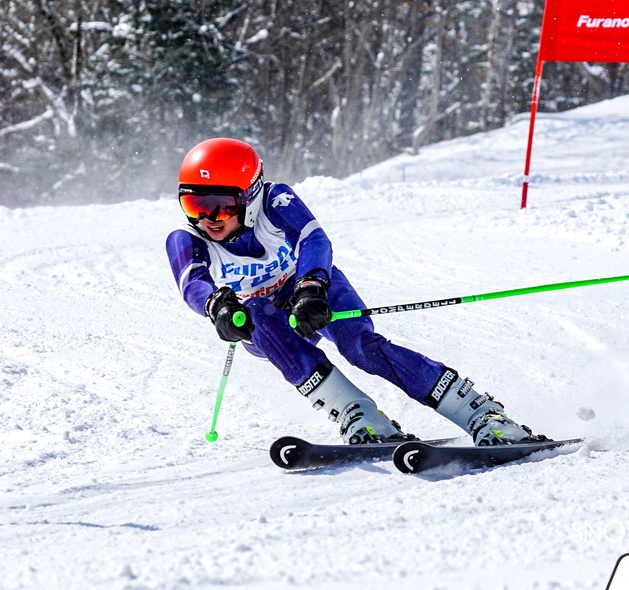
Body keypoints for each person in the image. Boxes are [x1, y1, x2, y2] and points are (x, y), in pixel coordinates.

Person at [165, 137, 548, 446]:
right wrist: (216, 305)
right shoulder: (185, 237)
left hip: (312, 291)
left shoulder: (276, 202)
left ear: (249, 196)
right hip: (268, 319)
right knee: (260, 315)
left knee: (361, 348)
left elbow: (315, 241)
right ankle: (360, 416)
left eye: (218, 206)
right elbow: (192, 284)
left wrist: (311, 285)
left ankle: (482, 414)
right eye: (193, 204)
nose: (206, 218)